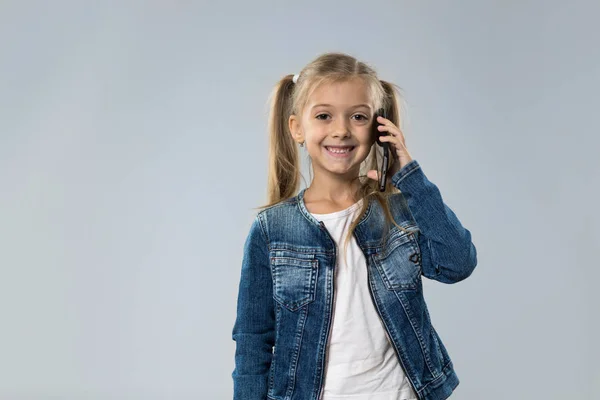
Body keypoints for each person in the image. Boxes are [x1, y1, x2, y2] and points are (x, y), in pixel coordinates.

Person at [231, 52, 478, 400]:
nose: (342, 130)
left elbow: (458, 262)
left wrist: (409, 177)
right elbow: (253, 340)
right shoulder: (273, 229)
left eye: (358, 117)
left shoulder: (398, 210)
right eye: (323, 116)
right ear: (297, 128)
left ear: (378, 128)